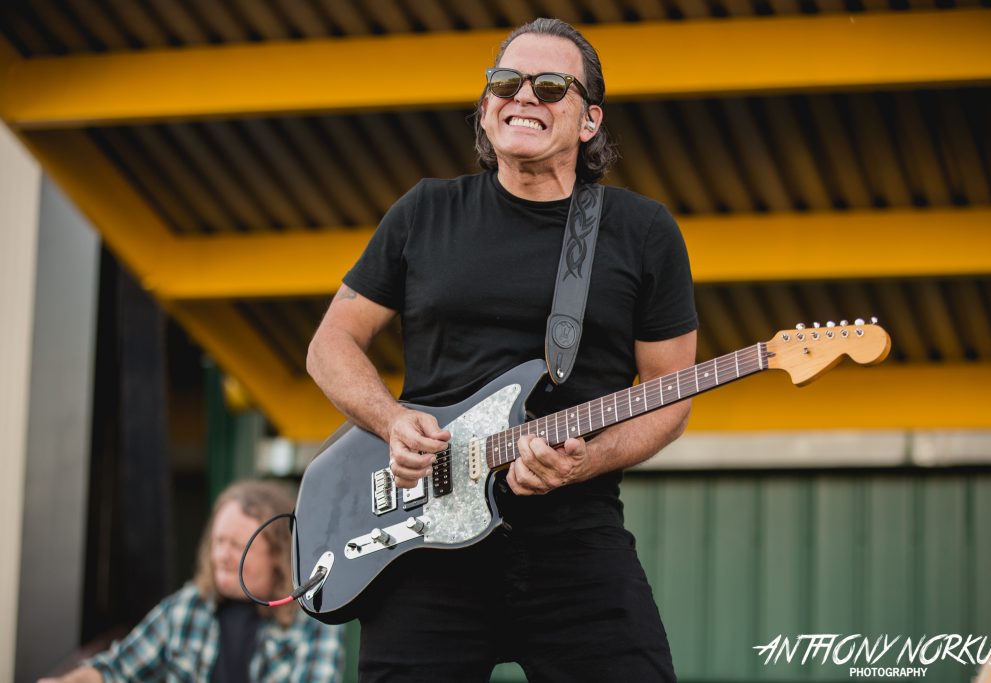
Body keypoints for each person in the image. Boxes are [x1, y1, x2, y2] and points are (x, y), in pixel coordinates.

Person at [306, 17, 697, 683]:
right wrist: (391, 419)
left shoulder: (642, 230)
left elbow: (670, 392)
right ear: (486, 109)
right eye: (505, 82)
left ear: (589, 120)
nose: (522, 96)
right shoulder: (424, 212)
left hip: (575, 538)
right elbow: (330, 343)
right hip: (423, 548)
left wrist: (587, 459)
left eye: (550, 86)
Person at [40, 480, 345, 682]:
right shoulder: (187, 607)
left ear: (278, 557)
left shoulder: (312, 620)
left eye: (237, 546)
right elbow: (115, 671)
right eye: (219, 541)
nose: (222, 555)